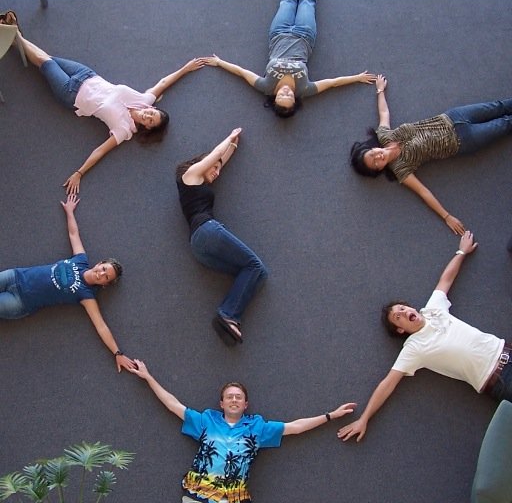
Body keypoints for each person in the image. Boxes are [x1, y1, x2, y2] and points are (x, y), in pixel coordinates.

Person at [337, 231, 512, 443]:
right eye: (398, 317)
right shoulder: (414, 348)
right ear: (400, 330)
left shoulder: (433, 308)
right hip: (500, 380)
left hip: (506, 349)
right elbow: (388, 383)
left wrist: (461, 252)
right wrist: (363, 419)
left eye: (402, 308)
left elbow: (446, 279)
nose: (403, 312)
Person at [5, 11, 205, 194]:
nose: (148, 116)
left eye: (150, 121)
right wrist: (185, 69)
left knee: (44, 62)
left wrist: (79, 173)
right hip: (86, 74)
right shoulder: (144, 100)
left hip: (70, 94)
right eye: (153, 114)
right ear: (152, 108)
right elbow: (163, 83)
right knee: (48, 57)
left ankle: (13, 33)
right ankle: (16, 37)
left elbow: (101, 150)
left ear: (146, 127)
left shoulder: (124, 130)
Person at [129, 359, 357, 503]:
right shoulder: (206, 421)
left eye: (239, 397)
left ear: (246, 404)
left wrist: (330, 416)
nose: (234, 399)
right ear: (222, 403)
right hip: (197, 495)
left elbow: (295, 427)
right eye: (229, 396)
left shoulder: (258, 428)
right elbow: (173, 405)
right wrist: (148, 377)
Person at [350, 75, 512, 235]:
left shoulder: (385, 136)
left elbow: (384, 112)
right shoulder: (400, 169)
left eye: (372, 153)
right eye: (375, 163)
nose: (378, 157)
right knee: (506, 123)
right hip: (463, 140)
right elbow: (423, 192)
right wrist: (447, 216)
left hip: (452, 117)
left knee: (499, 106)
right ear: (378, 169)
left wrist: (380, 90)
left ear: (373, 148)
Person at [0, 194, 136, 373]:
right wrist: (70, 212)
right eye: (104, 269)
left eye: (106, 277)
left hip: (20, 301)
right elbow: (74, 233)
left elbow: (101, 326)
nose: (101, 274)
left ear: (104, 285)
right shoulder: (80, 260)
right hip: (16, 276)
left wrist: (118, 353)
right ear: (99, 263)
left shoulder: (87, 295)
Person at [203, 0, 375, 118]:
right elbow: (332, 83)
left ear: (274, 98)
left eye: (281, 96)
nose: (286, 92)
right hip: (305, 34)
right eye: (290, 97)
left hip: (279, 33)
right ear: (295, 99)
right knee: (308, 0)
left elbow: (241, 72)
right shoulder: (304, 89)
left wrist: (219, 62)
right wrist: (357, 77)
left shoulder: (265, 86)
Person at [175, 128, 266, 345]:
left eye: (218, 170)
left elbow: (219, 160)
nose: (216, 173)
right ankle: (228, 313)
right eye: (214, 169)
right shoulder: (188, 176)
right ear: (203, 163)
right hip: (207, 230)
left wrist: (233, 145)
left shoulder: (199, 182)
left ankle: (227, 316)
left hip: (199, 247)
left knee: (252, 273)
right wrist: (229, 136)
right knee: (255, 265)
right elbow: (214, 156)